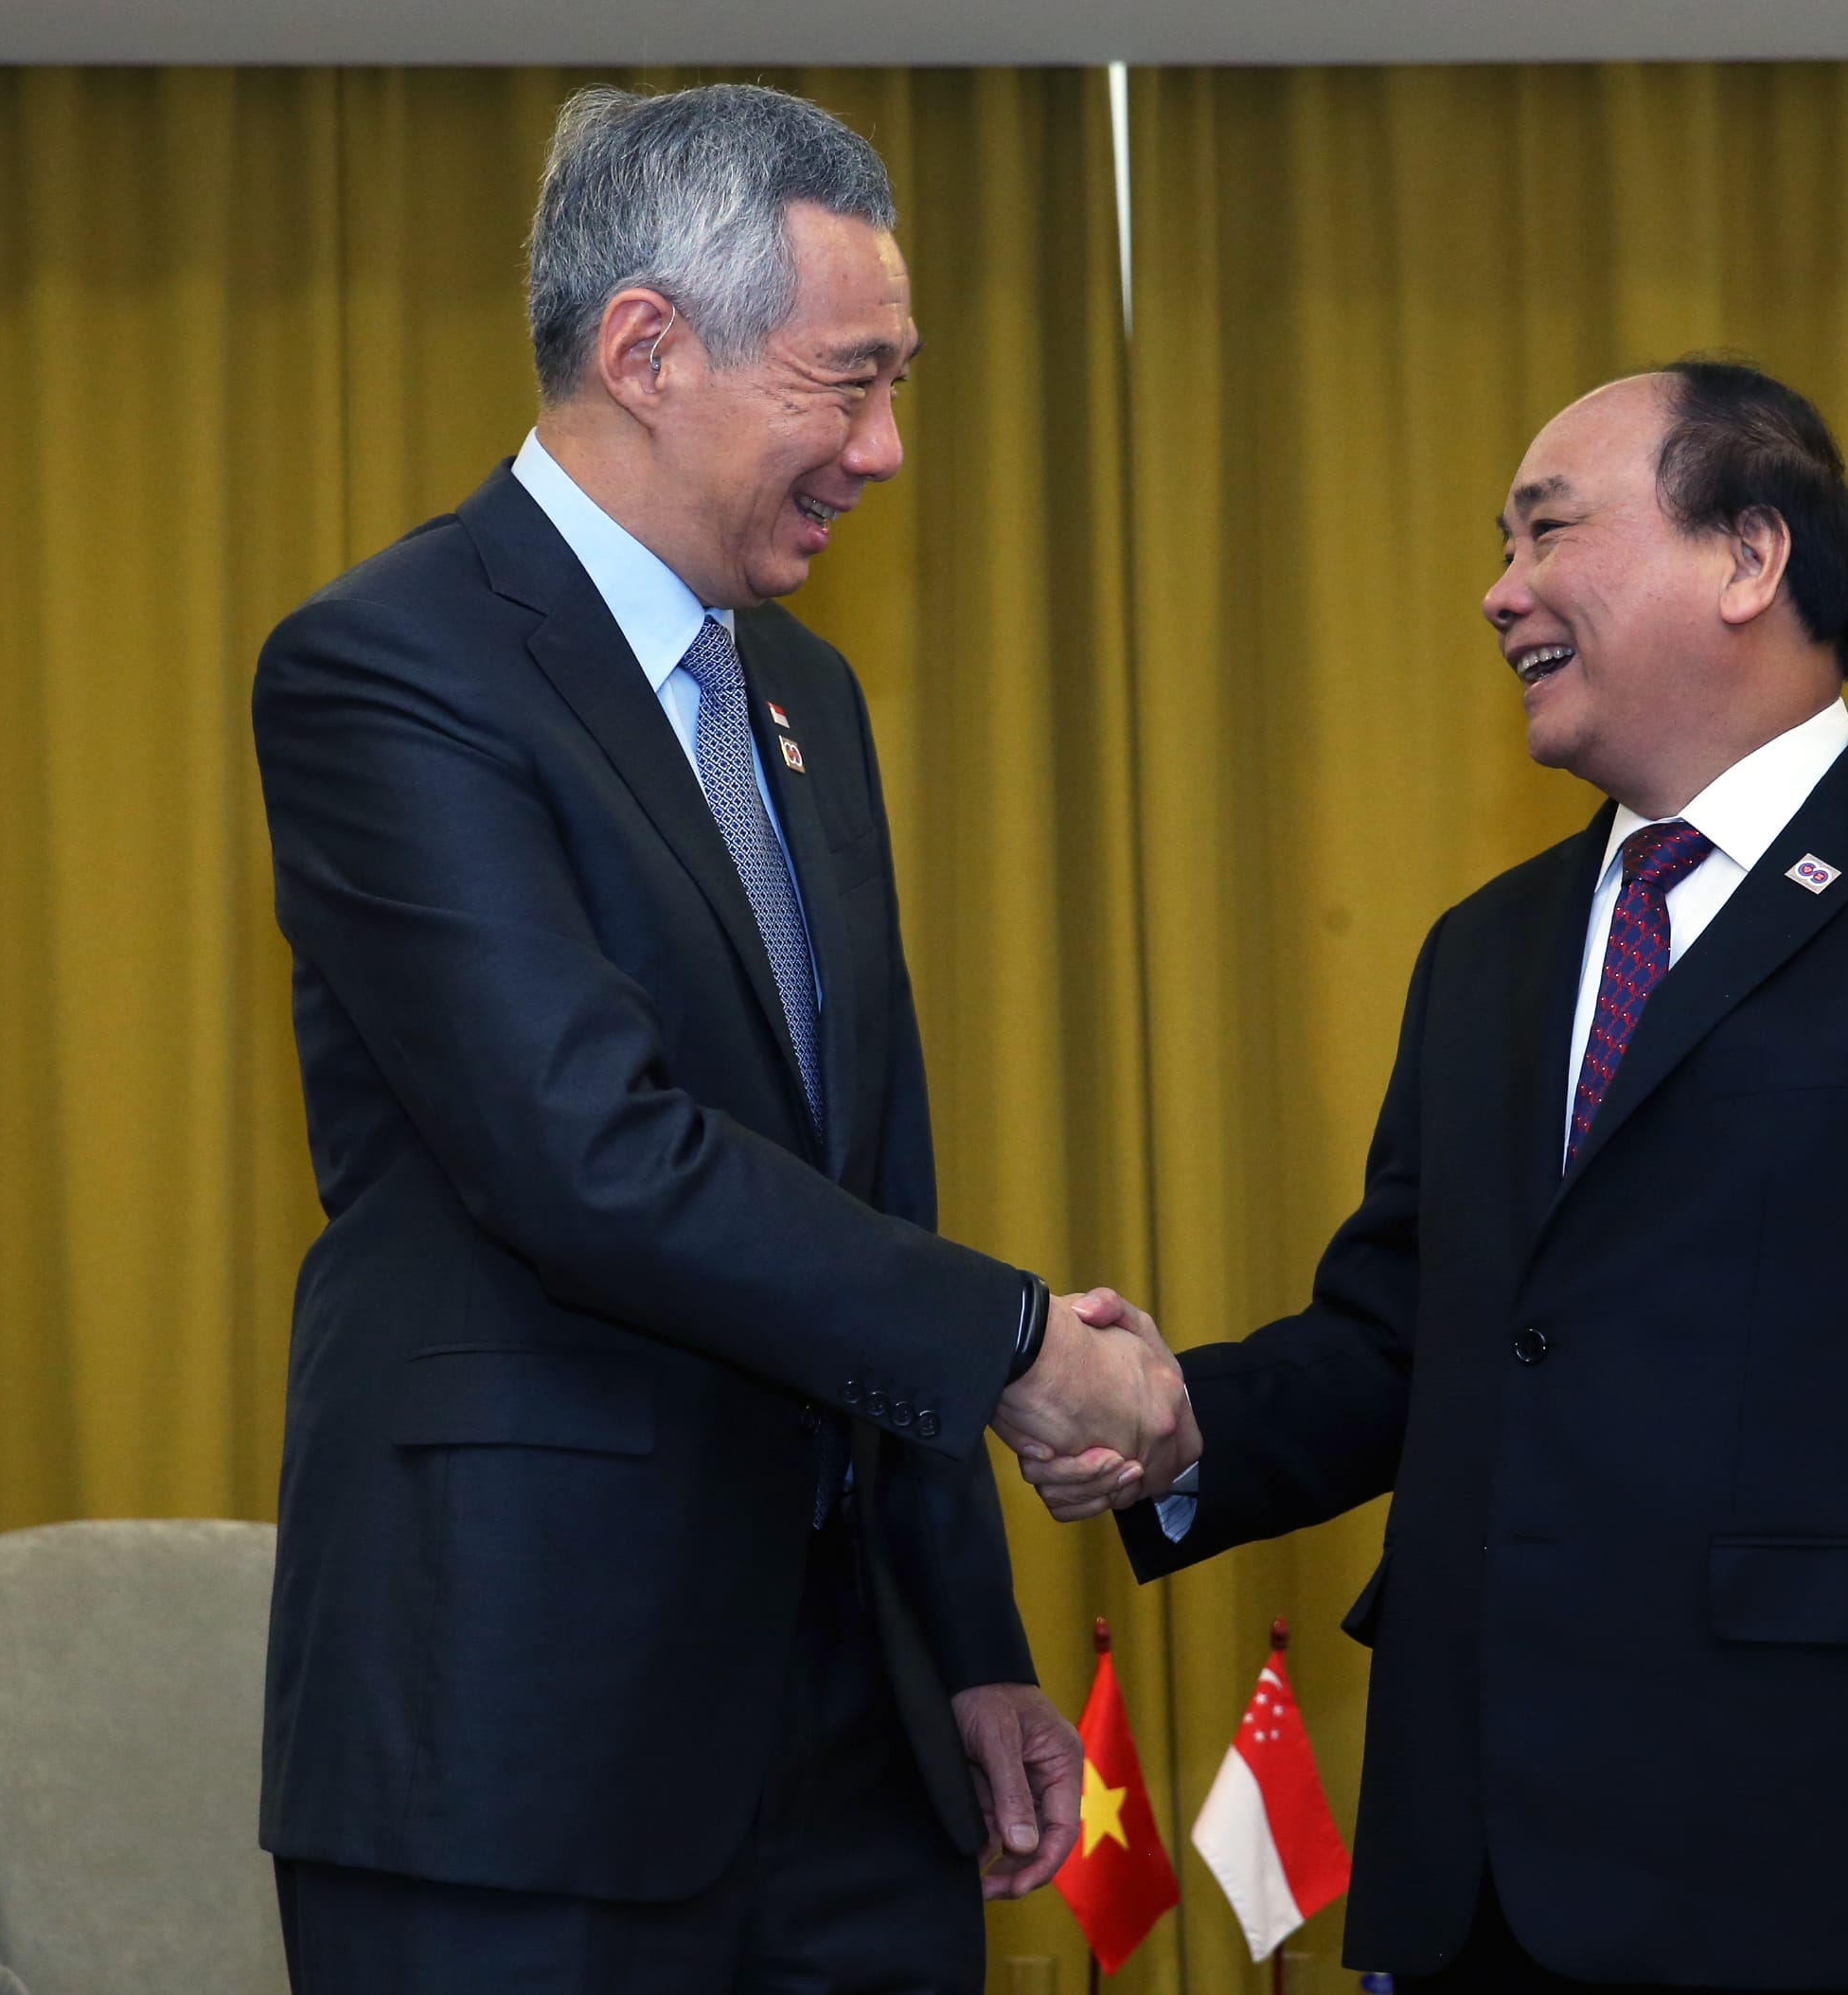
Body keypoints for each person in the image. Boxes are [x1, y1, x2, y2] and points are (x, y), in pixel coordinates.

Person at [1024, 362, 1848, 1995]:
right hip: (1480, 1879)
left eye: (1548, 530)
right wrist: (1166, 1419)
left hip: (1832, 1870)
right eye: (1501, 546)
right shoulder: (1486, 950)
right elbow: (1401, 1341)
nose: (1500, 591)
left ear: (1749, 556)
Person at [250, 82, 1182, 1995]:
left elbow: (870, 1179)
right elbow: (584, 1154)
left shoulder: (806, 698)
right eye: (846, 384)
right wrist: (1020, 1344)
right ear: (645, 349)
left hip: (854, 1744)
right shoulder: (391, 665)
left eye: (897, 384)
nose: (885, 449)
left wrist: (968, 1637)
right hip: (523, 1736)